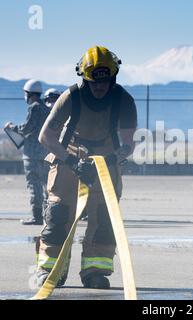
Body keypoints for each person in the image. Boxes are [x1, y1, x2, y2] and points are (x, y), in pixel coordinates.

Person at [36, 46, 137, 289]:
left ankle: (95, 272)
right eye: (94, 82)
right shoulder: (71, 97)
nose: (100, 87)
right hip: (68, 160)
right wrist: (71, 161)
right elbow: (46, 137)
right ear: (85, 79)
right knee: (58, 216)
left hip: (105, 164)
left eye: (105, 82)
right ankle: (50, 271)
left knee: (104, 219)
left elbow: (128, 142)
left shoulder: (124, 100)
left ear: (113, 78)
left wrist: (115, 157)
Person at [4, 80, 51, 225]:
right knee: (47, 185)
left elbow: (26, 129)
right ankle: (48, 215)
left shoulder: (34, 107)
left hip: (32, 154)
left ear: (28, 94)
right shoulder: (46, 108)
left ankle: (37, 217)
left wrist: (12, 127)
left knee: (34, 184)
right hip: (46, 151)